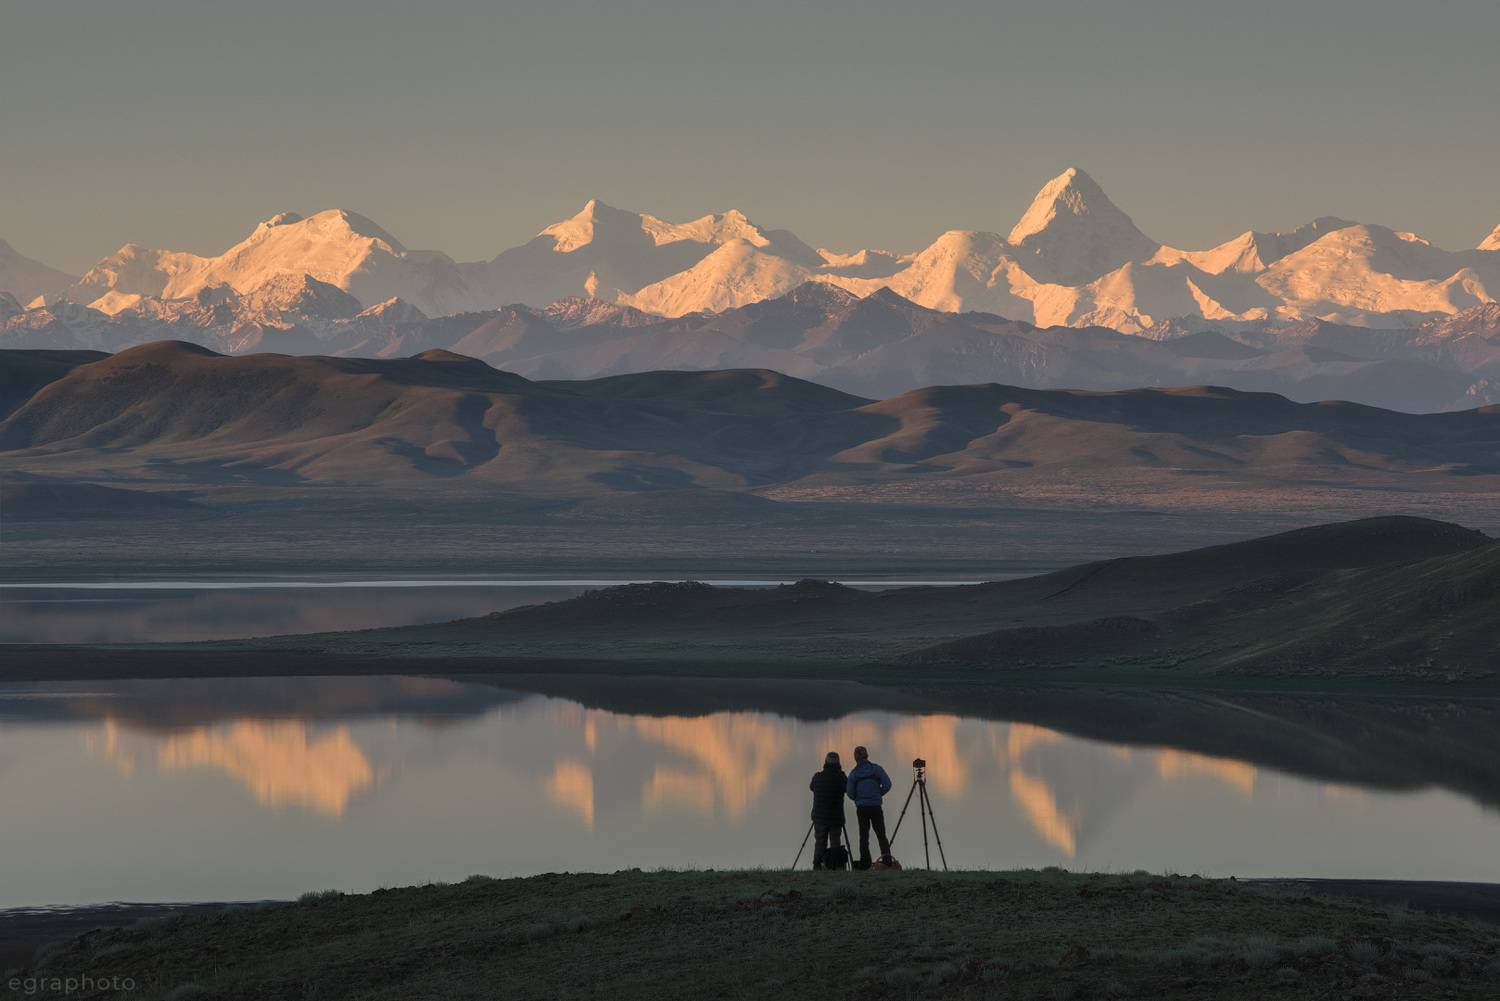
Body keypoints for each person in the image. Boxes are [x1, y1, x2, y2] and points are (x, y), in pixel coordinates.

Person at [846, 745, 893, 868]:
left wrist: (858, 799)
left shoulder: (854, 773)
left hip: (862, 808)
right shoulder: (877, 769)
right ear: (867, 755)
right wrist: (878, 794)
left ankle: (865, 863)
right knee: (881, 835)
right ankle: (887, 861)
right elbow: (887, 784)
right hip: (876, 807)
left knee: (864, 836)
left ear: (855, 757)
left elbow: (849, 792)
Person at [808, 751, 847, 869]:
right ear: (838, 763)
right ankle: (835, 867)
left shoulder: (817, 777)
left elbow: (811, 787)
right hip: (836, 818)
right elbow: (848, 789)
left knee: (820, 842)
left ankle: (817, 865)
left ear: (825, 762)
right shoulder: (842, 777)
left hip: (819, 817)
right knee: (835, 843)